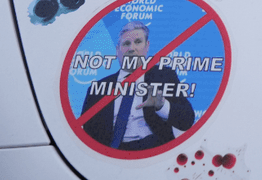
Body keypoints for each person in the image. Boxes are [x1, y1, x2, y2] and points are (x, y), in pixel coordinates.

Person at [81, 22, 194, 150]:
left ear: (147, 46)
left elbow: (187, 120)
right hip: (111, 152)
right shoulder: (99, 87)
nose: (131, 48)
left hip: (153, 150)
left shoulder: (164, 76)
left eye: (138, 42)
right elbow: (86, 134)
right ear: (117, 50)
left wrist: (162, 105)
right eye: (126, 44)